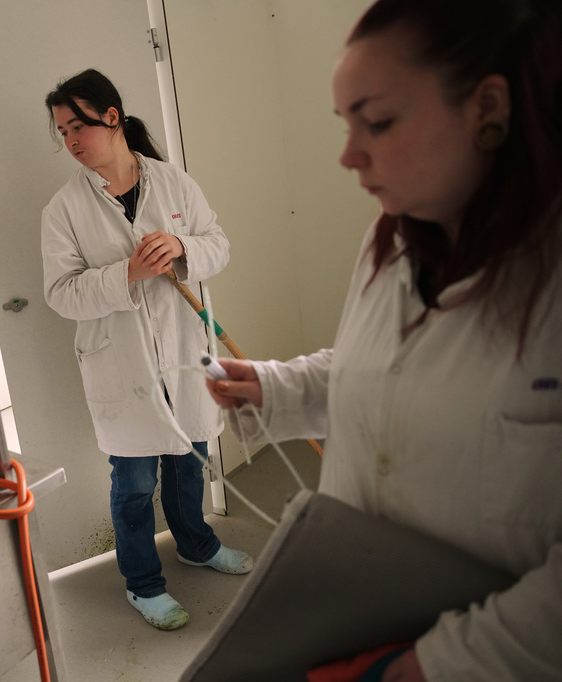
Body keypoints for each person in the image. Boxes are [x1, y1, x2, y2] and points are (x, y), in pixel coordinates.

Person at [207, 0, 562, 679]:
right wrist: (282, 388)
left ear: (488, 107)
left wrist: (431, 667)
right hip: (355, 623)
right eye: (345, 125)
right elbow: (390, 370)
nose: (348, 155)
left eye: (378, 122)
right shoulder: (390, 241)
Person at [41, 69, 254, 632]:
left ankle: (197, 545)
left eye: (78, 126)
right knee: (134, 484)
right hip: (122, 365)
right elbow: (61, 294)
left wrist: (183, 245)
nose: (71, 141)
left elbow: (218, 244)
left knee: (190, 462)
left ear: (111, 118)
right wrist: (126, 274)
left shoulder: (173, 182)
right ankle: (143, 583)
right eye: (62, 131)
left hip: (183, 354)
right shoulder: (63, 210)